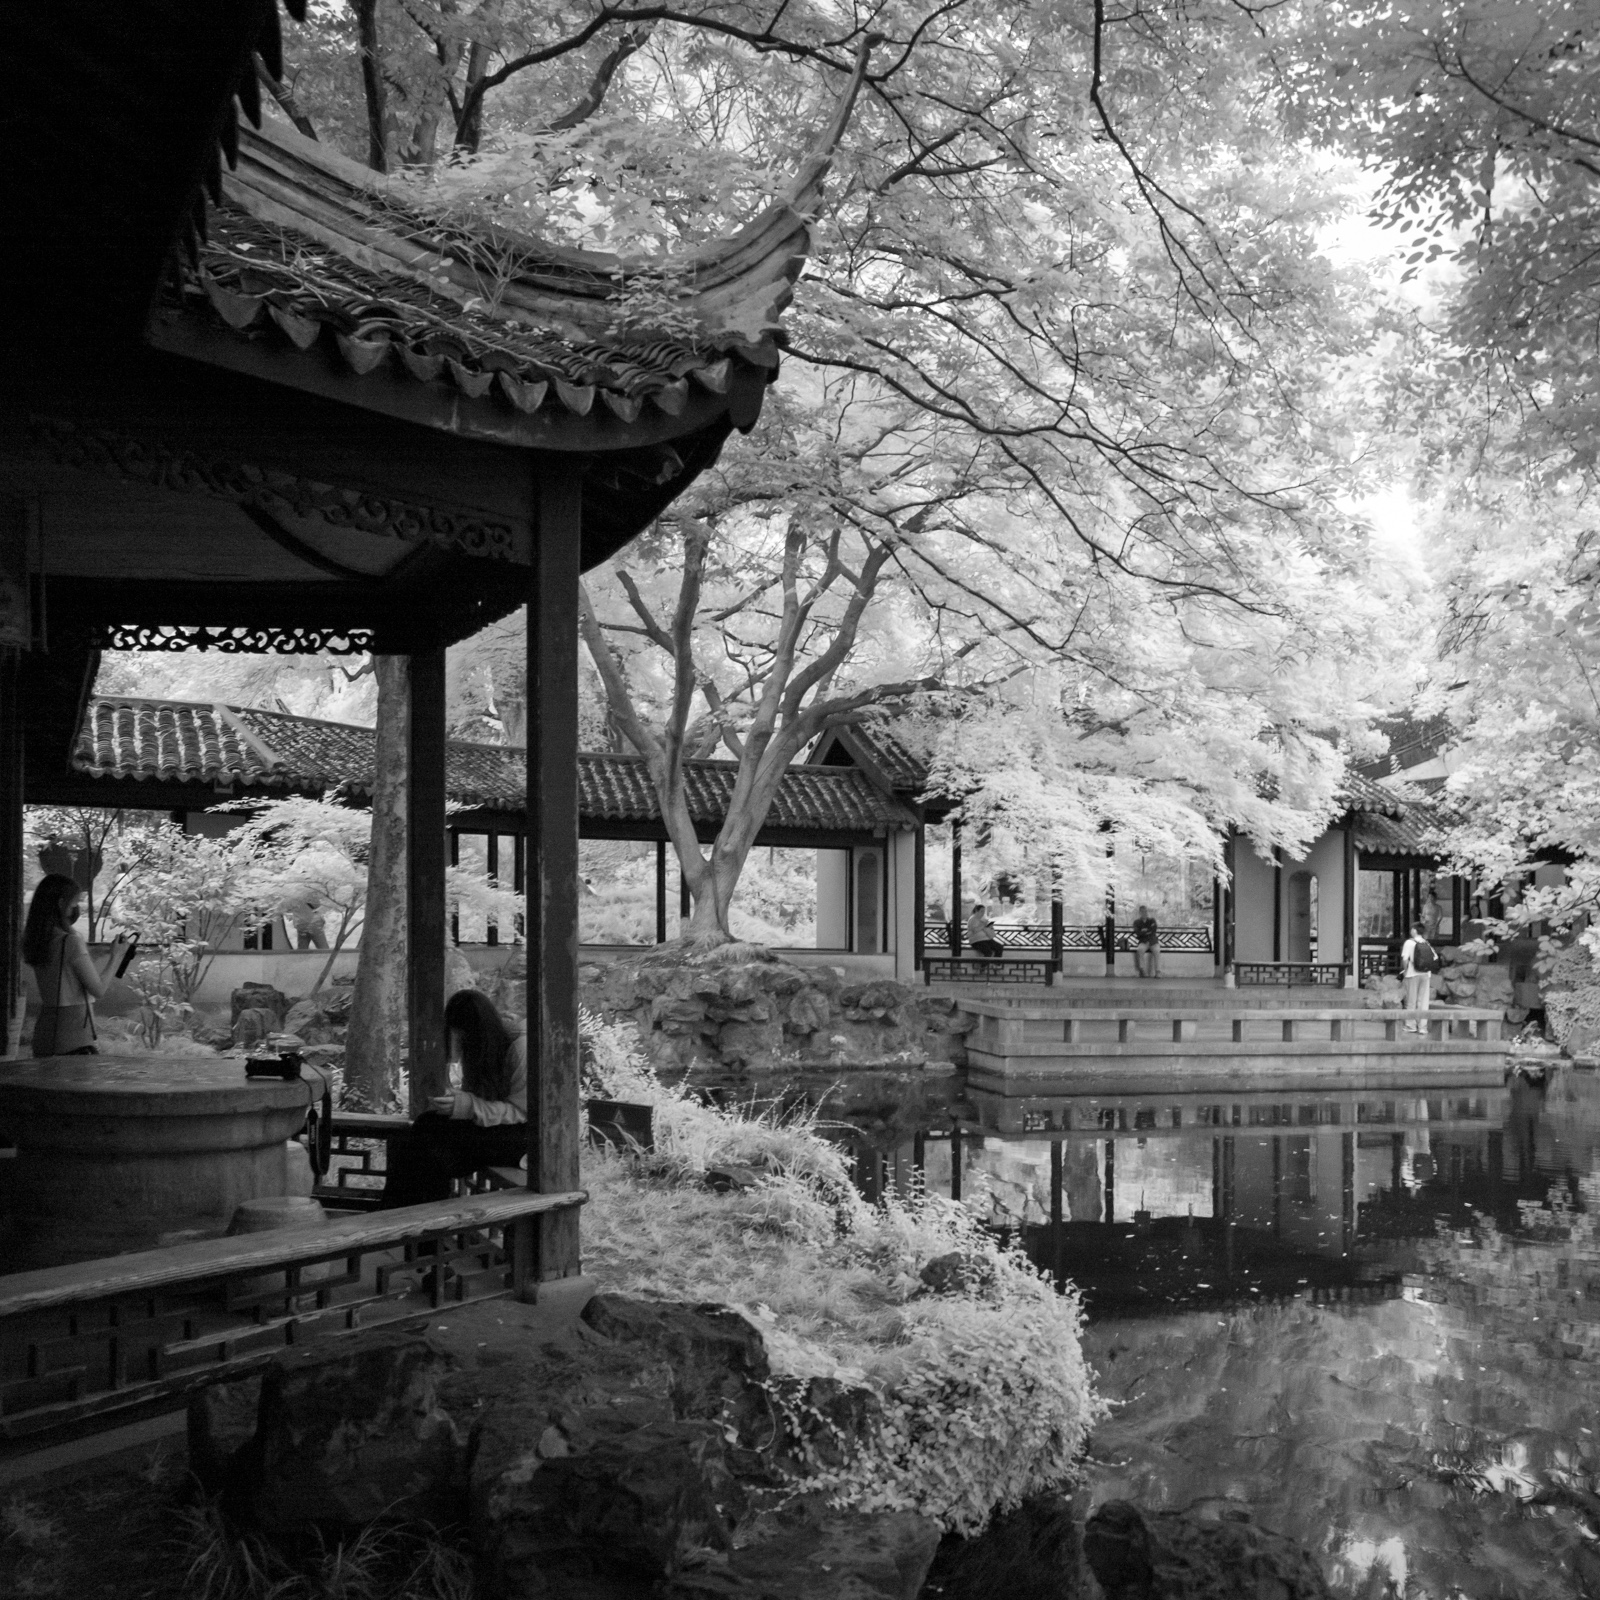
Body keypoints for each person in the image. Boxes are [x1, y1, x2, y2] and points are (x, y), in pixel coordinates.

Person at [380, 989, 528, 1208]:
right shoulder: (481, 1048)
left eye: (460, 1034)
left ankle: (418, 1217)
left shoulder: (520, 1048)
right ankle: (397, 1213)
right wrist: (457, 1103)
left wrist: (467, 1106)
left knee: (433, 1154)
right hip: (493, 1129)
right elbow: (478, 1098)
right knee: (426, 1123)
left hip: (521, 1138)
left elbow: (521, 1111)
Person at [22, 874, 134, 1056]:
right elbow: (98, 989)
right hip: (72, 1039)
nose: (76, 909)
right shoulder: (71, 942)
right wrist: (116, 956)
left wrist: (94, 953)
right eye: (74, 904)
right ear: (61, 903)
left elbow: (65, 968)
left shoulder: (39, 940)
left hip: (45, 1034)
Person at [1399, 920, 1435, 1032]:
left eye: (1412, 929)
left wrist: (1405, 971)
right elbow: (1434, 957)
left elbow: (1405, 959)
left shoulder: (1409, 943)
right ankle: (1422, 1027)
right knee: (1423, 1002)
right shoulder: (1426, 943)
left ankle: (1410, 1025)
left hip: (1412, 974)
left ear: (1414, 930)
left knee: (1411, 1001)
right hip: (1425, 974)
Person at [1131, 904, 1160, 978]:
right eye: (1143, 911)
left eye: (1146, 911)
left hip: (1153, 941)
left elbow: (1153, 930)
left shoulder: (1152, 920)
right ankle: (1142, 970)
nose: (1145, 913)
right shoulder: (1136, 922)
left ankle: (1157, 971)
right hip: (1143, 942)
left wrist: (1144, 931)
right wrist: (1146, 931)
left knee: (1157, 951)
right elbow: (1138, 932)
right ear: (1140, 913)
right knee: (1140, 950)